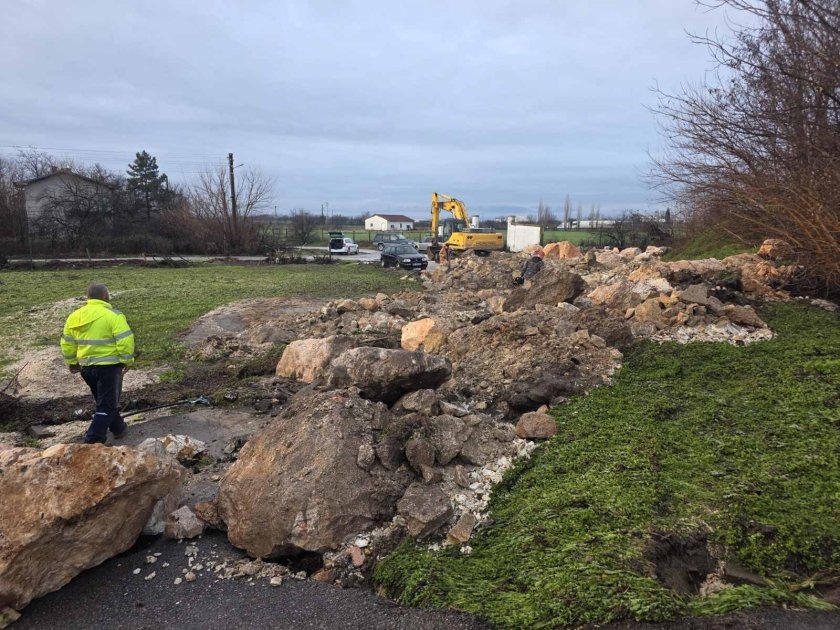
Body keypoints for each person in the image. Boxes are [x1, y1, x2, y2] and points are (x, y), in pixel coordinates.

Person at [60, 283, 135, 444]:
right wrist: (127, 360)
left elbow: (67, 342)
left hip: (86, 368)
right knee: (107, 405)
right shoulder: (113, 315)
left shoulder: (74, 316)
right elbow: (125, 341)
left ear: (88, 298)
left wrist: (72, 361)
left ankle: (118, 428)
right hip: (109, 367)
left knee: (104, 401)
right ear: (106, 297)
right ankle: (93, 440)